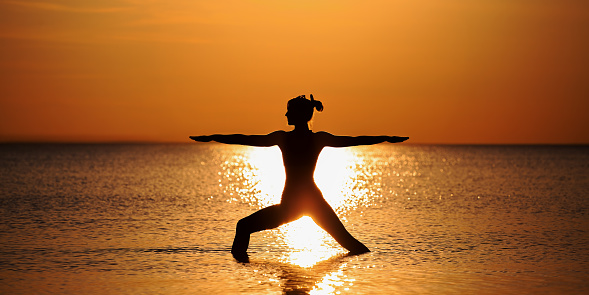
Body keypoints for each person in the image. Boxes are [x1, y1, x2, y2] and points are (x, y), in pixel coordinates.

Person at [190, 94, 408, 262]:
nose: (285, 115)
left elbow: (354, 140)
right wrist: (386, 138)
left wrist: (212, 137)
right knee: (351, 245)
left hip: (296, 205)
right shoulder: (313, 139)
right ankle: (244, 272)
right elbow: (245, 138)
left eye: (288, 111)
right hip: (306, 203)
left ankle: (241, 272)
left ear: (297, 115)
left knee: (243, 226)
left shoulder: (285, 138)